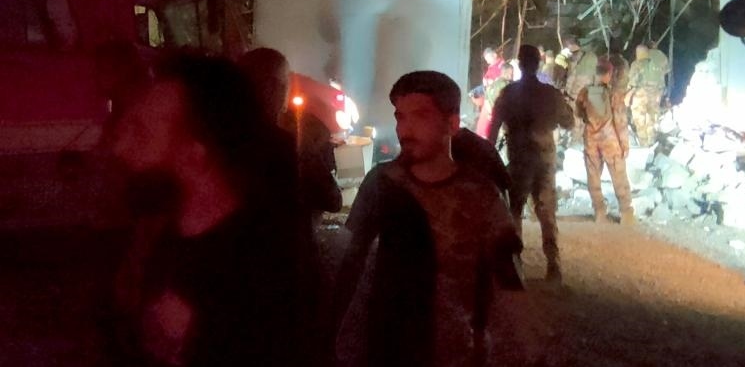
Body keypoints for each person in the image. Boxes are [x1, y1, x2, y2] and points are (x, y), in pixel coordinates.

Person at [109, 54, 314, 367]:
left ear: (196, 154)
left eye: (141, 133)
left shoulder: (261, 277)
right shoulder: (168, 240)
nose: (118, 148)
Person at [336, 71, 521, 367]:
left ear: (452, 124)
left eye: (421, 116)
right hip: (388, 349)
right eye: (400, 117)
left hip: (456, 351)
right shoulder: (382, 184)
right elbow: (352, 264)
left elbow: (507, 280)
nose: (405, 130)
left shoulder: (481, 195)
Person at [489, 45, 574, 283]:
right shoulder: (551, 94)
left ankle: (516, 266)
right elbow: (569, 122)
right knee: (546, 210)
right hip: (545, 158)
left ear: (520, 64)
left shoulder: (508, 93)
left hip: (519, 158)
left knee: (514, 210)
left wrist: (489, 156)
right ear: (538, 64)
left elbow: (493, 127)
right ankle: (554, 266)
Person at [239, 47, 342, 219]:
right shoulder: (286, 145)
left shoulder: (216, 139)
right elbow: (333, 200)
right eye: (286, 83)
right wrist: (308, 148)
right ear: (272, 88)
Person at [576, 58, 635, 225]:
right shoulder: (613, 94)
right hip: (610, 140)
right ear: (609, 74)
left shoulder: (584, 92)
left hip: (591, 139)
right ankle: (626, 213)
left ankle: (600, 212)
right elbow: (620, 121)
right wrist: (625, 144)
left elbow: (579, 113)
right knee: (619, 175)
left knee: (593, 176)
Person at [627, 44, 668, 147]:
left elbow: (632, 82)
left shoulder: (636, 64)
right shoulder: (657, 64)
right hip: (655, 95)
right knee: (652, 118)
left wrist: (628, 94)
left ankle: (643, 143)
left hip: (640, 96)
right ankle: (651, 141)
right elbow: (665, 73)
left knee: (639, 119)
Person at [475, 62, 513, 138]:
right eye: (511, 74)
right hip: (502, 121)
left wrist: (491, 114)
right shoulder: (505, 85)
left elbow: (486, 101)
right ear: (507, 72)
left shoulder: (492, 84)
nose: (512, 76)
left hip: (493, 119)